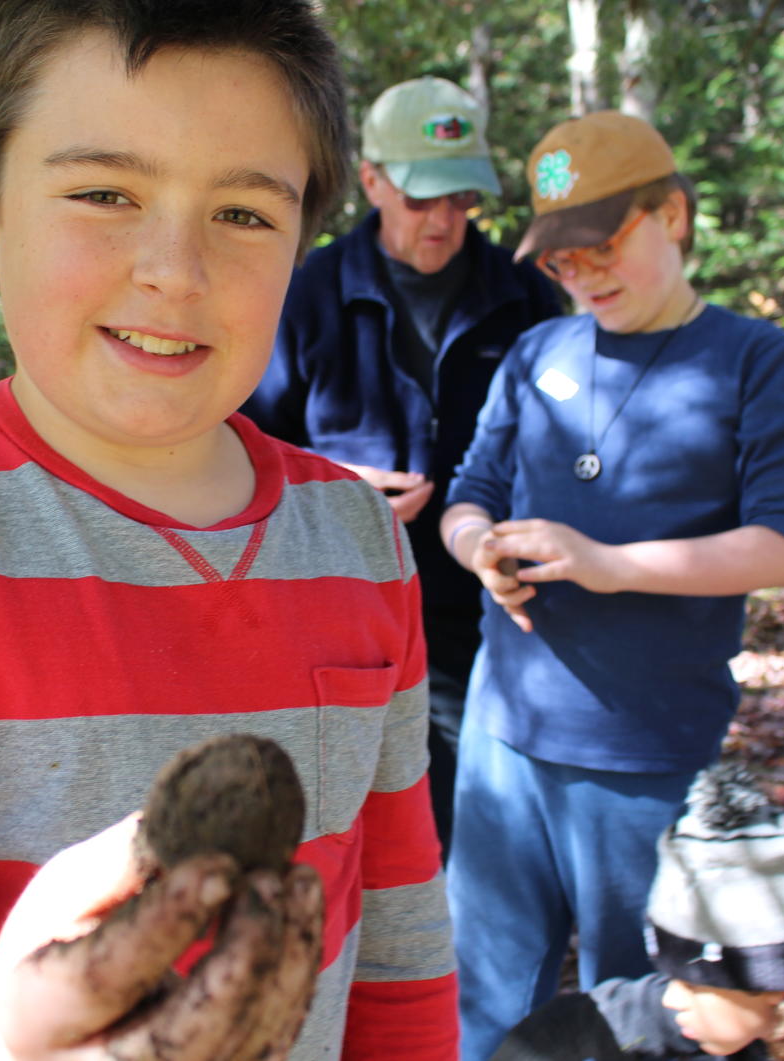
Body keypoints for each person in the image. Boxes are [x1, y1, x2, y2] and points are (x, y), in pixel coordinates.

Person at [0, 3, 457, 1059]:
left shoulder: (358, 541)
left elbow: (395, 945)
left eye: (243, 214)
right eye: (104, 193)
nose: (173, 270)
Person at [438, 110, 784, 1059]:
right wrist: (478, 545)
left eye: (602, 245)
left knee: (644, 1007)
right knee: (482, 992)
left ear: (675, 214)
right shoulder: (537, 356)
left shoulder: (752, 360)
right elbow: (467, 495)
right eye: (561, 261)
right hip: (503, 737)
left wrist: (613, 567)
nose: (582, 275)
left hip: (644, 749)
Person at [243, 76, 562, 854]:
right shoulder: (305, 291)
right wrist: (331, 486)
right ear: (373, 181)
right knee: (327, 815)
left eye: (461, 198)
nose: (444, 220)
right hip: (327, 600)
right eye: (423, 199)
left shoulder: (524, 296)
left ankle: (436, 970)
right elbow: (236, 447)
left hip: (475, 612)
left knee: (451, 820)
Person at [489, 764, 784, 1061]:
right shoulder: (713, 1009)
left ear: (772, 985)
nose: (672, 998)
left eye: (696, 984)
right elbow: (562, 1033)